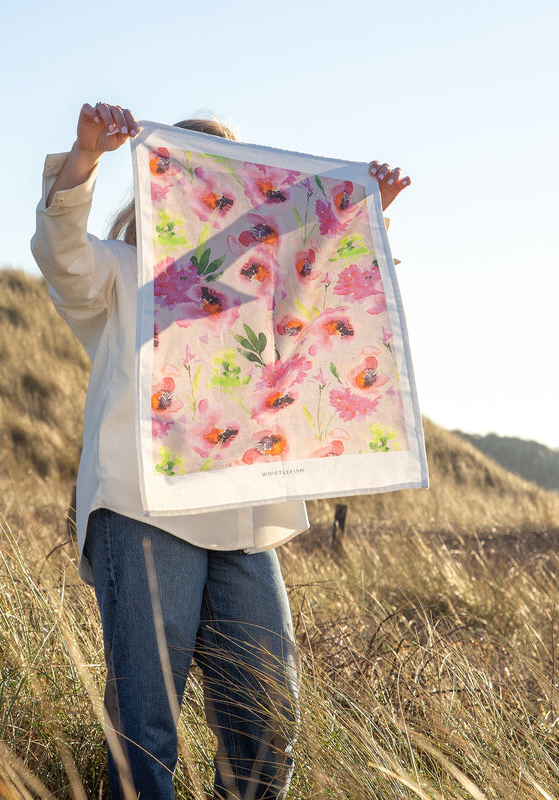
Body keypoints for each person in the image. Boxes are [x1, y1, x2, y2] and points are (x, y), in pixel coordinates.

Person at [31, 102, 410, 800]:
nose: (212, 199)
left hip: (244, 517)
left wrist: (358, 216)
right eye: (193, 179)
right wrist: (85, 158)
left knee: (267, 720)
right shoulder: (121, 273)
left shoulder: (265, 293)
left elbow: (323, 317)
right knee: (146, 729)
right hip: (143, 512)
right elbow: (60, 255)